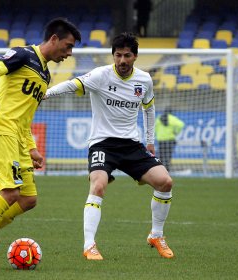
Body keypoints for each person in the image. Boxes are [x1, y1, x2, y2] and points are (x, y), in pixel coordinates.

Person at [0, 17, 81, 272]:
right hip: (0, 130)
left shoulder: (45, 74)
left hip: (18, 137)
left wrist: (31, 147)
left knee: (28, 199)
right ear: (54, 39)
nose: (68, 53)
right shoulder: (23, 54)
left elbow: (26, 116)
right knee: (10, 193)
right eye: (67, 46)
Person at [45, 32, 174, 260]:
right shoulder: (100, 76)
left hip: (132, 145)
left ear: (135, 56)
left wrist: (150, 141)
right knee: (98, 186)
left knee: (165, 182)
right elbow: (71, 85)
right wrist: (44, 94)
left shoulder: (144, 80)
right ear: (113, 56)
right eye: (117, 55)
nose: (122, 60)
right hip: (103, 144)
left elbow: (149, 108)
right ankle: (89, 245)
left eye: (126, 55)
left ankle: (157, 235)